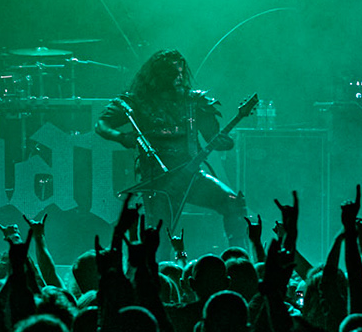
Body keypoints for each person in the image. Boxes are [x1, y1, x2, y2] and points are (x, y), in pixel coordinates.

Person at [94, 49, 248, 247]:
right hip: (157, 179)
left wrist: (224, 142)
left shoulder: (194, 102)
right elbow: (102, 124)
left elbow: (215, 138)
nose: (179, 77)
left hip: (191, 175)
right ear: (157, 75)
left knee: (232, 202)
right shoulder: (138, 101)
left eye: (181, 72)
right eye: (172, 73)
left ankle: (238, 258)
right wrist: (121, 137)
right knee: (160, 235)